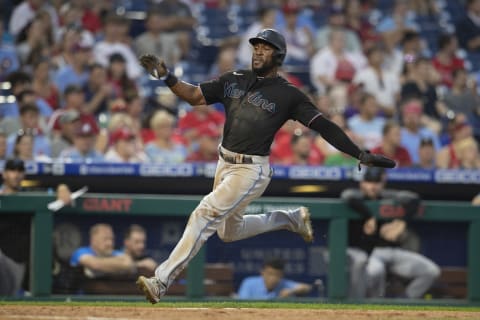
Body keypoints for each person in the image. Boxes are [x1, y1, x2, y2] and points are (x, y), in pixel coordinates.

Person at [135, 28, 395, 303]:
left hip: (251, 169)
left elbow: (324, 126)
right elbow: (195, 96)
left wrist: (358, 153)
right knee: (227, 232)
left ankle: (161, 281)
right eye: (256, 46)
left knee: (204, 213)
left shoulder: (289, 94)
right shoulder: (234, 78)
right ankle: (291, 218)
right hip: (224, 163)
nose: (258, 51)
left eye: (265, 47)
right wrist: (167, 77)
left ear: (279, 55)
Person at [342, 167, 440, 299]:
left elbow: (413, 199)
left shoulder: (388, 197)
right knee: (376, 271)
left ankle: (403, 304)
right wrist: (370, 216)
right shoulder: (357, 197)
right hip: (371, 253)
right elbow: (347, 196)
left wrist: (401, 222)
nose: (373, 186)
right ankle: (374, 308)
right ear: (362, 183)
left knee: (431, 271)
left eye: (376, 182)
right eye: (369, 182)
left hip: (394, 252)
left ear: (382, 183)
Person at [70, 223, 136, 278]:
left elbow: (128, 263)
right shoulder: (81, 252)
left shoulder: (114, 253)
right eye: (105, 239)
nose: (109, 243)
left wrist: (102, 266)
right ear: (93, 240)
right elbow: (94, 264)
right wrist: (117, 266)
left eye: (111, 239)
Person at [237, 257, 312, 299]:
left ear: (282, 275)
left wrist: (291, 291)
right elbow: (242, 304)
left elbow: (307, 288)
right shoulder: (249, 282)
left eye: (277, 275)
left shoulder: (285, 284)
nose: (273, 278)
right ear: (262, 272)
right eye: (270, 274)